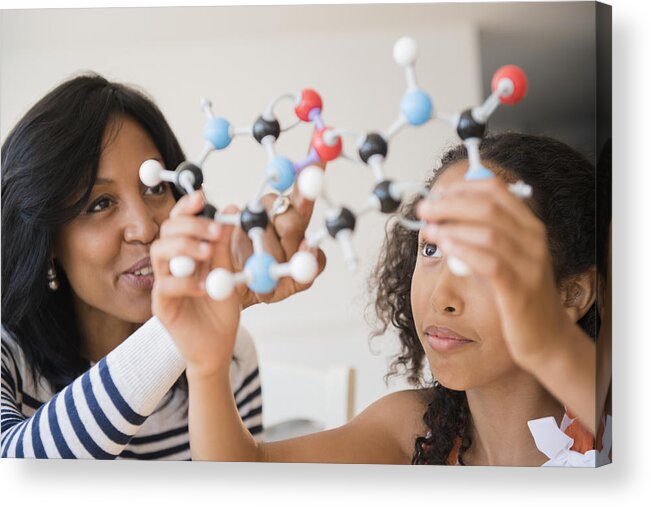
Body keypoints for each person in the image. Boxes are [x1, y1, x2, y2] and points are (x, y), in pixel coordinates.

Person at [151, 132, 611, 466]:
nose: (442, 297)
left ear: (573, 294)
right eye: (430, 249)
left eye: (482, 257)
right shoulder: (411, 433)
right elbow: (242, 481)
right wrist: (207, 368)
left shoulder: (615, 437)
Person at [1, 73, 322, 459]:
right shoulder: (10, 356)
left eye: (155, 188)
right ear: (48, 239)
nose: (145, 227)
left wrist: (204, 345)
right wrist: (180, 330)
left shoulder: (231, 354)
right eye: (100, 203)